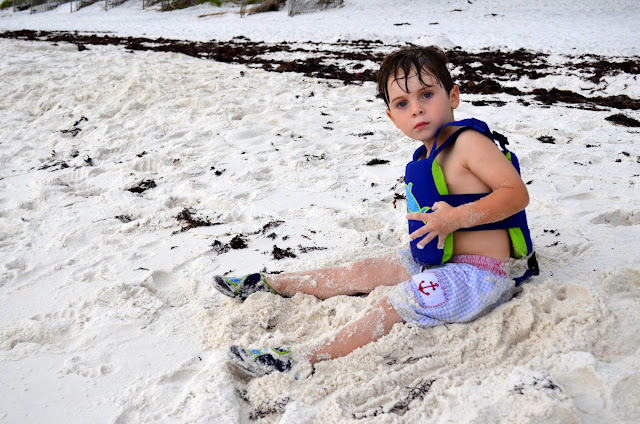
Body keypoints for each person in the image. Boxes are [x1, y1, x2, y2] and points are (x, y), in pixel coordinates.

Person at [215, 46, 531, 378]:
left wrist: (454, 219)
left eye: (426, 94)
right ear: (392, 117)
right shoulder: (426, 156)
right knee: (362, 270)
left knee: (396, 302)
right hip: (439, 259)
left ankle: (302, 358)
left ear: (453, 96)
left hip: (478, 276)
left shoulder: (468, 143)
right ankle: (273, 283)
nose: (417, 109)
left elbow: (516, 194)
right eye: (402, 104)